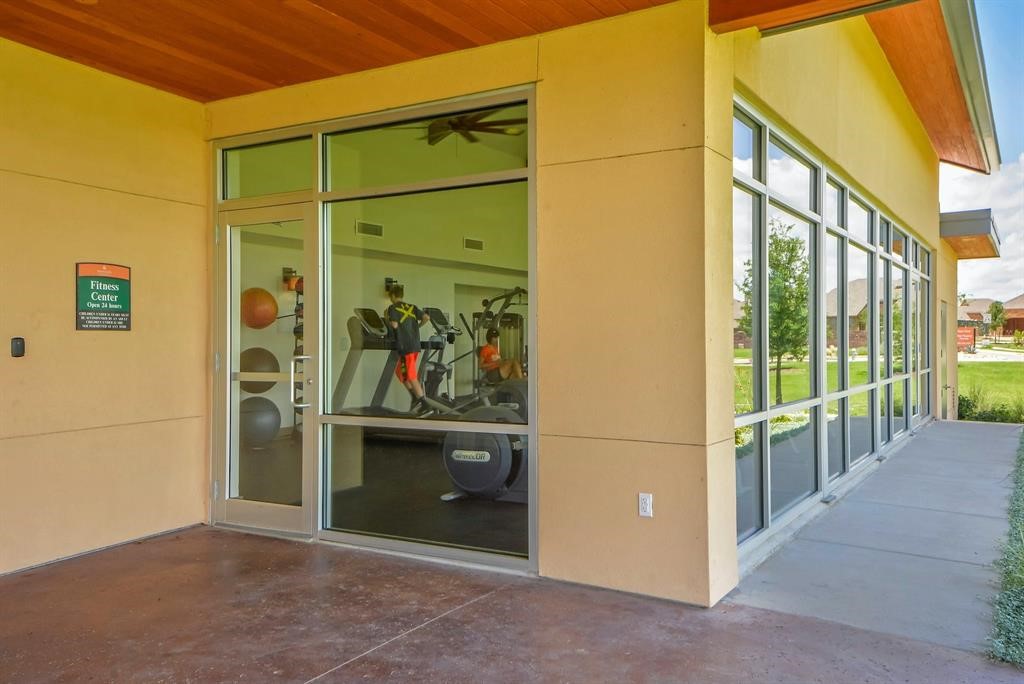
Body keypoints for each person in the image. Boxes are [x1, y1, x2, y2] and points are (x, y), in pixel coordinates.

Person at [385, 284, 430, 413]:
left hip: (405, 345)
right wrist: (417, 327)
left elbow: (394, 325)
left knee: (410, 375)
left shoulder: (392, 308)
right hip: (415, 344)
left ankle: (424, 403)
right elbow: (426, 317)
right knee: (400, 372)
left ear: (392, 296)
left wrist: (387, 320)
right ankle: (414, 397)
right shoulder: (412, 307)